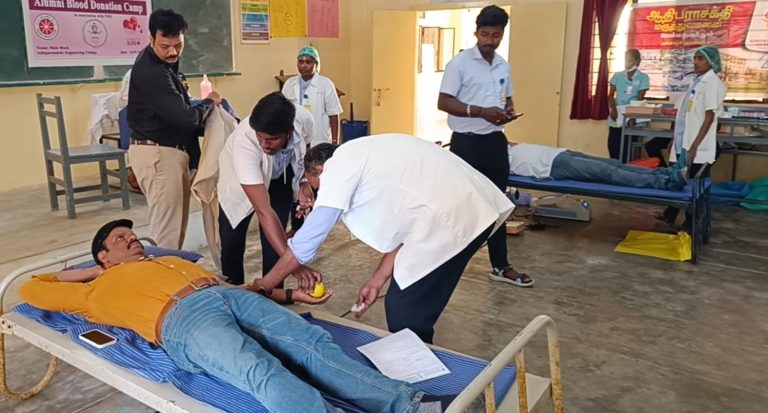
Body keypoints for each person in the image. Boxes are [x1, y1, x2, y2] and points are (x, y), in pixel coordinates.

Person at [18, 219, 459, 413]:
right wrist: (94, 272)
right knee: (257, 368)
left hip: (226, 294)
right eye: (120, 239)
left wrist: (290, 295)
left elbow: (244, 288)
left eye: (133, 235)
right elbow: (30, 288)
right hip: (181, 322)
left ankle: (408, 405)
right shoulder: (94, 291)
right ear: (103, 255)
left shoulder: (167, 260)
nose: (132, 239)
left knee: (311, 344)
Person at [257, 135, 514, 344]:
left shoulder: (338, 167)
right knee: (405, 309)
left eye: (315, 185)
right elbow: (405, 227)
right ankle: (419, 362)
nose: (318, 191)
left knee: (406, 313)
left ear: (321, 171)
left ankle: (421, 376)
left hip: (453, 217)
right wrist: (377, 280)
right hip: (468, 207)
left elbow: (307, 241)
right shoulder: (366, 156)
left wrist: (263, 285)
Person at [437, 5, 532, 288]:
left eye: (496, 35)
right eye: (485, 34)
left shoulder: (503, 64)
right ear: (476, 32)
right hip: (466, 144)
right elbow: (444, 102)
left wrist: (507, 110)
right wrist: (480, 112)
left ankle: (500, 266)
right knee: (460, 206)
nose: (490, 40)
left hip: (495, 142)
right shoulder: (460, 64)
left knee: (499, 205)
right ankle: (441, 264)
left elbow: (506, 98)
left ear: (502, 34)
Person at [127, 9, 221, 249]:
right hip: (159, 156)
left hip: (167, 151)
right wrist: (209, 102)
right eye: (165, 46)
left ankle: (172, 269)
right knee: (166, 234)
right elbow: (185, 118)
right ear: (151, 39)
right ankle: (161, 273)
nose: (172, 52)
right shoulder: (153, 73)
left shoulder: (162, 64)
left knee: (176, 229)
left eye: (178, 45)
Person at [217, 93, 318, 287]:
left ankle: (273, 295)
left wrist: (304, 180)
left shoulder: (304, 119)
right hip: (239, 186)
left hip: (280, 178)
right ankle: (233, 294)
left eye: (272, 139)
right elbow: (264, 211)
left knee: (275, 246)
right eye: (260, 137)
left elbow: (306, 146)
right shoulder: (245, 142)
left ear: (289, 132)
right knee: (231, 246)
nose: (265, 144)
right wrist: (295, 266)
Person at [660, 45, 727, 228]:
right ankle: (671, 215)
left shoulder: (712, 83)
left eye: (700, 58)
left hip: (696, 145)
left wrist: (695, 145)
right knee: (681, 181)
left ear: (711, 61)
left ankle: (692, 224)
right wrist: (676, 139)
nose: (696, 62)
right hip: (684, 141)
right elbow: (686, 115)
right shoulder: (697, 82)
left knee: (694, 186)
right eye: (695, 58)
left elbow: (709, 117)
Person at [507, 143, 687, 190]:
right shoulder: (496, 160)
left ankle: (665, 172)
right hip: (552, 166)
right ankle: (666, 182)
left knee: (614, 164)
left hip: (558, 153)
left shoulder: (499, 142)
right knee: (608, 172)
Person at [282, 46, 343, 146]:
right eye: (300, 62)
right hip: (295, 137)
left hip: (318, 138)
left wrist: (334, 142)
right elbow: (283, 111)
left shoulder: (326, 84)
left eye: (308, 62)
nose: (303, 66)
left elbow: (334, 114)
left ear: (316, 64)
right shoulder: (289, 84)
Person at [607, 49, 650, 162]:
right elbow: (610, 95)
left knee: (627, 147)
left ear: (637, 61)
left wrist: (633, 116)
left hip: (632, 115)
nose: (627, 63)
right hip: (617, 114)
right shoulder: (617, 75)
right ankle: (613, 167)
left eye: (630, 60)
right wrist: (613, 110)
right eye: (626, 60)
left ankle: (625, 168)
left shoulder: (643, 77)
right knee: (613, 145)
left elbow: (640, 98)